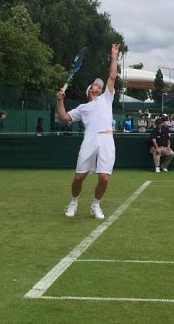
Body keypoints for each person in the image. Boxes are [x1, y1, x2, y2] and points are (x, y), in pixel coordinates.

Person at [56, 43, 120, 220]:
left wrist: (114, 56)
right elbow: (63, 117)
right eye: (95, 85)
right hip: (90, 140)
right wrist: (60, 100)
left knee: (104, 178)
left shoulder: (107, 98)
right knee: (78, 177)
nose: (99, 87)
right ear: (90, 90)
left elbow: (112, 77)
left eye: (101, 86)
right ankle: (74, 201)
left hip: (107, 140)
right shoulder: (83, 108)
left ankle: (95, 205)